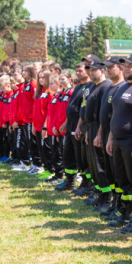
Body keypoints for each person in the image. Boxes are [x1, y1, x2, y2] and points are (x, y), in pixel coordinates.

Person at [106, 54, 132, 231]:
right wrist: (110, 137)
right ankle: (126, 213)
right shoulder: (122, 87)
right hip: (117, 140)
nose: (127, 68)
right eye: (126, 66)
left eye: (131, 66)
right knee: (121, 178)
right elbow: (114, 114)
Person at [57, 61, 93, 192]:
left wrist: (79, 127)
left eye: (81, 70)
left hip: (80, 127)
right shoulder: (78, 87)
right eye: (77, 71)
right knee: (68, 154)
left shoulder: (90, 86)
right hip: (70, 125)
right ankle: (69, 181)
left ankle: (86, 183)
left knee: (81, 157)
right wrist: (66, 123)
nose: (79, 73)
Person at [96, 56, 126, 215]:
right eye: (106, 67)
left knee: (118, 172)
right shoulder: (110, 88)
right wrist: (100, 134)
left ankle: (121, 206)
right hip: (107, 133)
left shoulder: (122, 87)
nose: (108, 70)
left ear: (121, 68)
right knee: (110, 171)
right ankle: (114, 203)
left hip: (116, 134)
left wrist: (110, 136)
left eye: (111, 67)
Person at [82, 56, 111, 205]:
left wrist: (99, 133)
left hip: (100, 127)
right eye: (89, 70)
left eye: (94, 70)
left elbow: (102, 112)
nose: (90, 73)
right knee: (93, 164)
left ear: (102, 71)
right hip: (91, 127)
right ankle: (99, 192)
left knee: (100, 163)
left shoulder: (105, 86)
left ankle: (106, 198)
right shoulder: (93, 86)